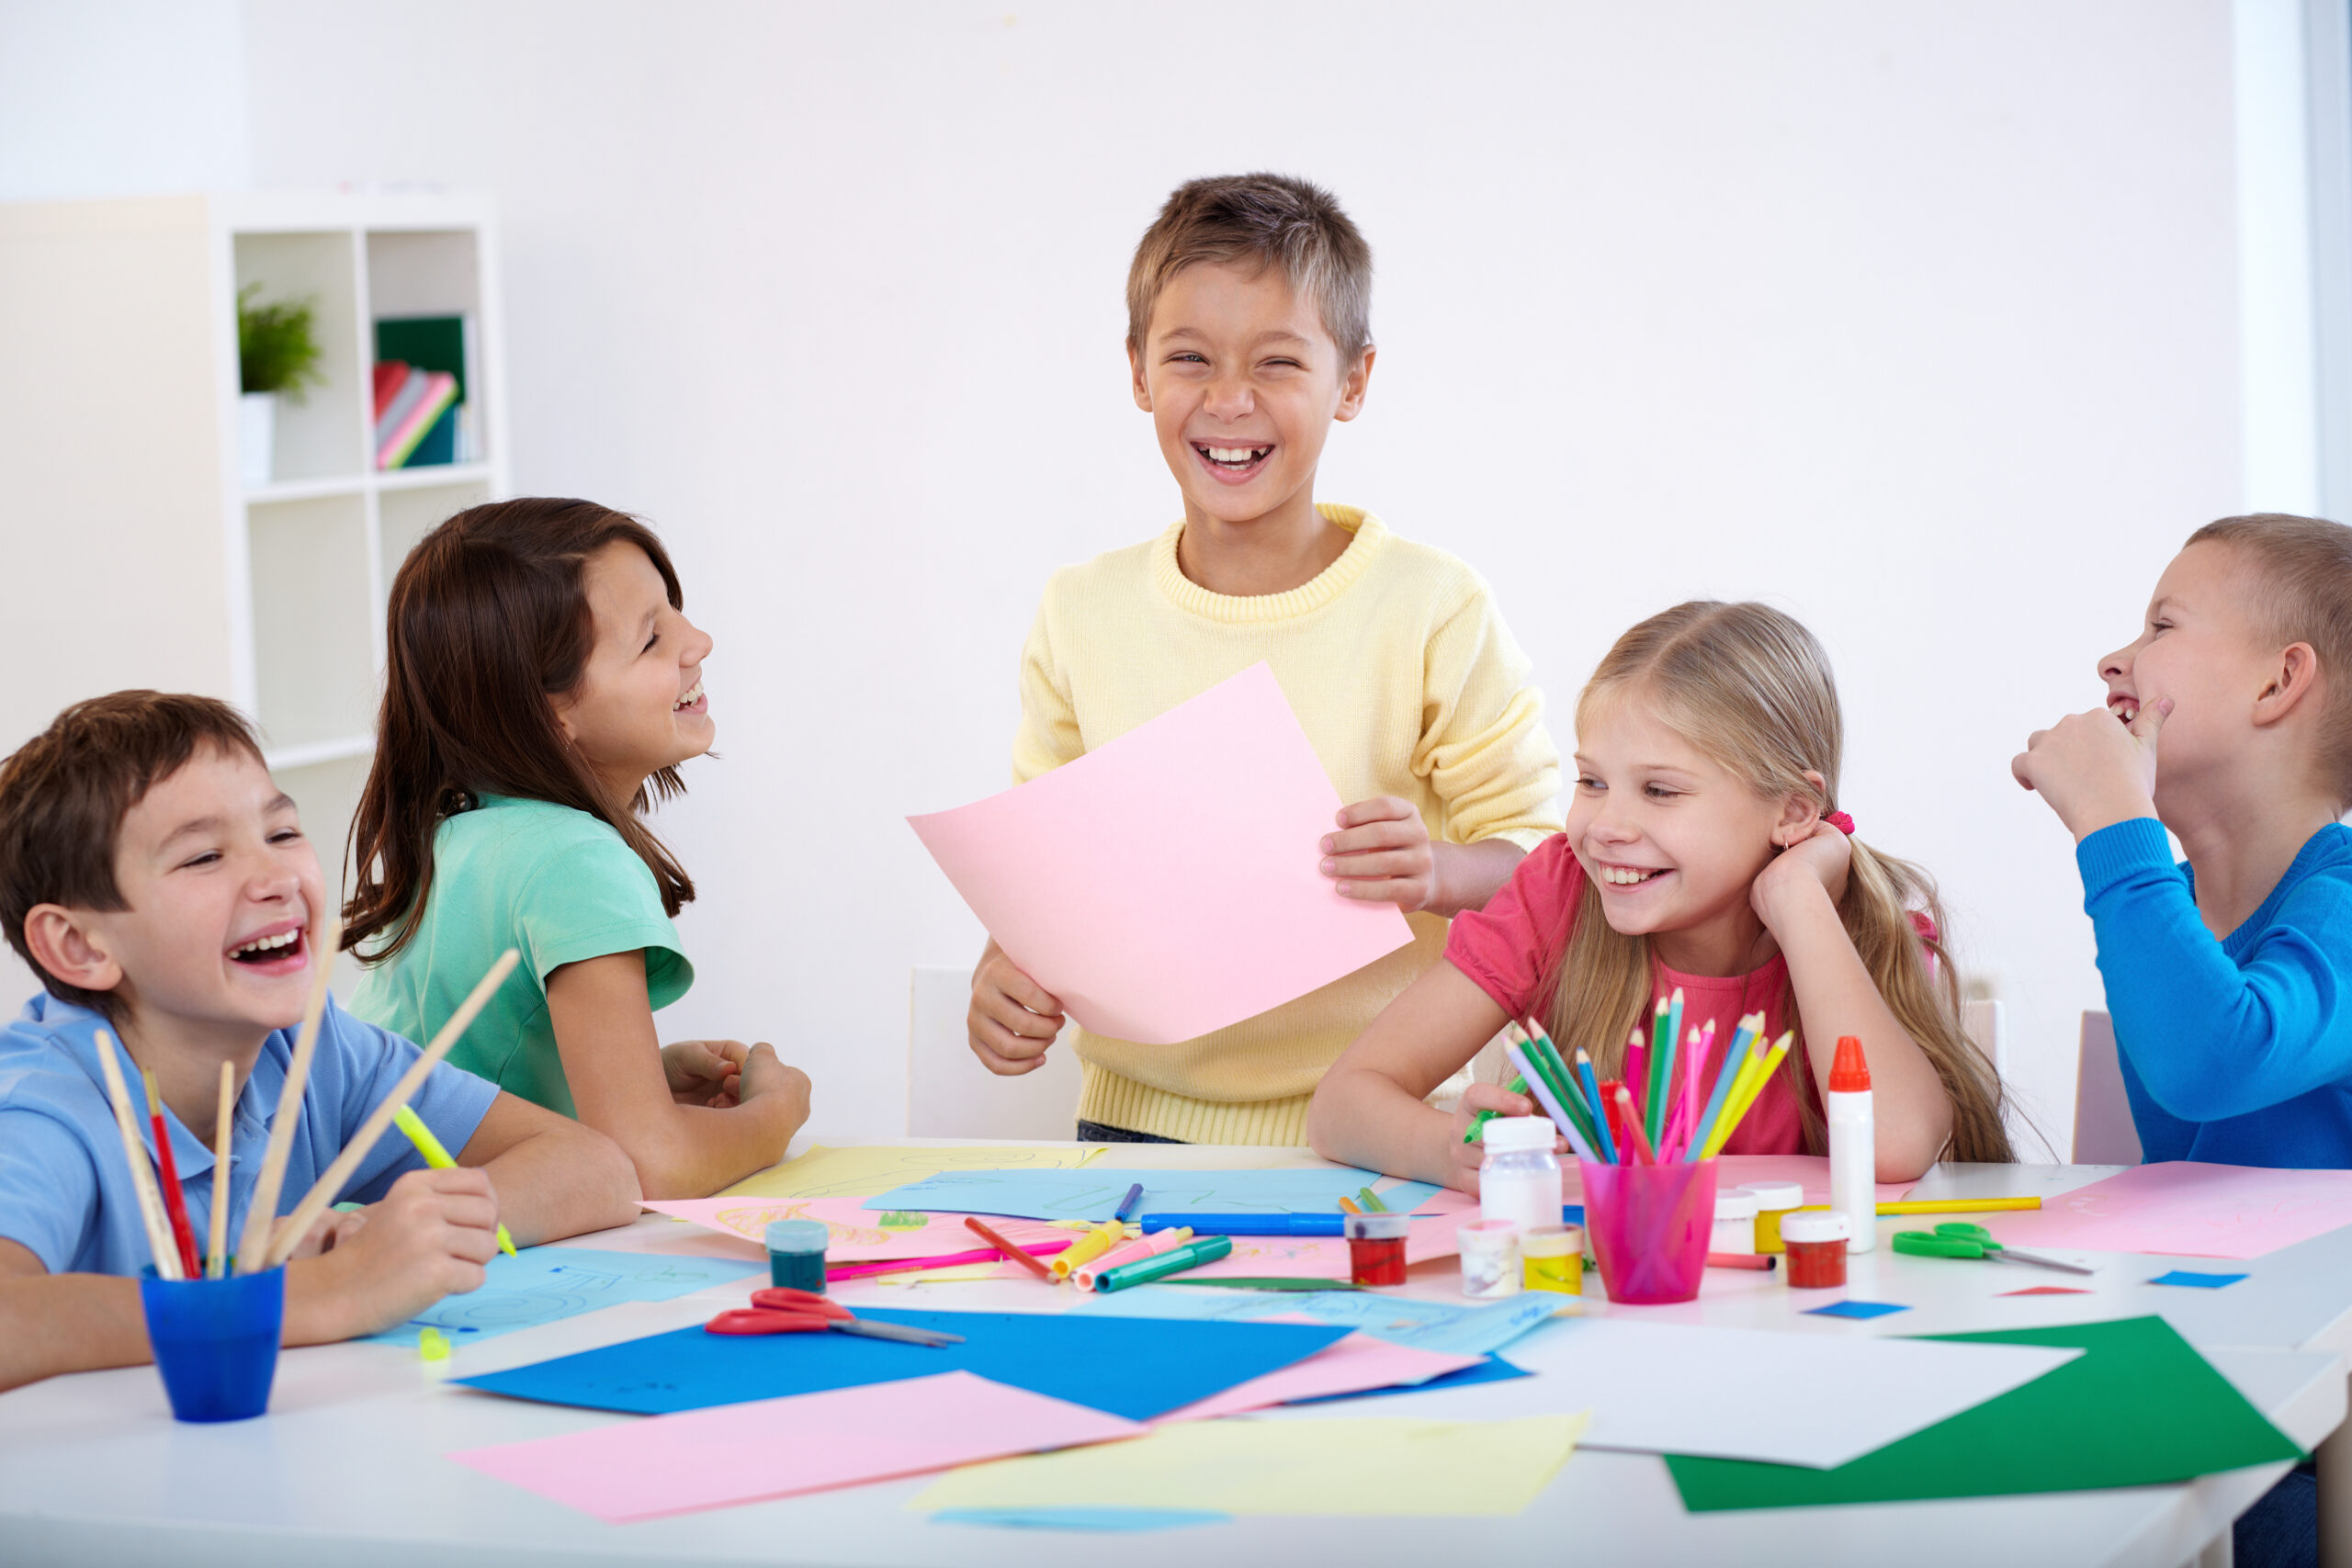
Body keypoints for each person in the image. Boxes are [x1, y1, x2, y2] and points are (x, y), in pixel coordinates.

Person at [969, 172, 1563, 1145]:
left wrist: (1439, 870)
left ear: (1353, 381)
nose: (1230, 399)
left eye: (1278, 363)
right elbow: (1045, 882)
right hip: (1132, 1131)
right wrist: (1007, 976)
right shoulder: (1081, 611)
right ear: (1137, 372)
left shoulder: (1429, 607)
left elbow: (1548, 868)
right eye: (1190, 358)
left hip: (1384, 1127)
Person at [0, 691, 639, 1392]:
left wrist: (379, 1236)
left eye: (281, 833)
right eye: (204, 856)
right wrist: (332, 1292)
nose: (276, 879)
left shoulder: (309, 1047)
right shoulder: (41, 1103)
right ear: (79, 944)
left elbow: (596, 1169)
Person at [1309, 600, 2012, 1190]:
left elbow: (1893, 1147)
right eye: (1591, 782)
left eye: (1660, 791)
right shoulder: (1559, 892)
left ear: (1795, 813)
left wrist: (1800, 897)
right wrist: (1447, 1147)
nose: (1606, 826)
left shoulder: (1858, 924)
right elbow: (1343, 1103)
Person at [2014, 512, 2352, 1568]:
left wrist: (2115, 829)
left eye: (2161, 625)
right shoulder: (2179, 915)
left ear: (2275, 683)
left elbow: (2215, 1060)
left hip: (2320, 1434)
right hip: (2226, 1372)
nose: (2113, 658)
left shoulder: (2341, 904)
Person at [345, 498, 810, 1198]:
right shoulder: (576, 861)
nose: (699, 641)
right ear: (549, 709)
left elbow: (474, 1072)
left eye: (675, 610)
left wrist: (624, 1084)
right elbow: (650, 1165)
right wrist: (776, 1117)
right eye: (652, 639)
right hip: (453, 1256)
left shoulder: (455, 833)